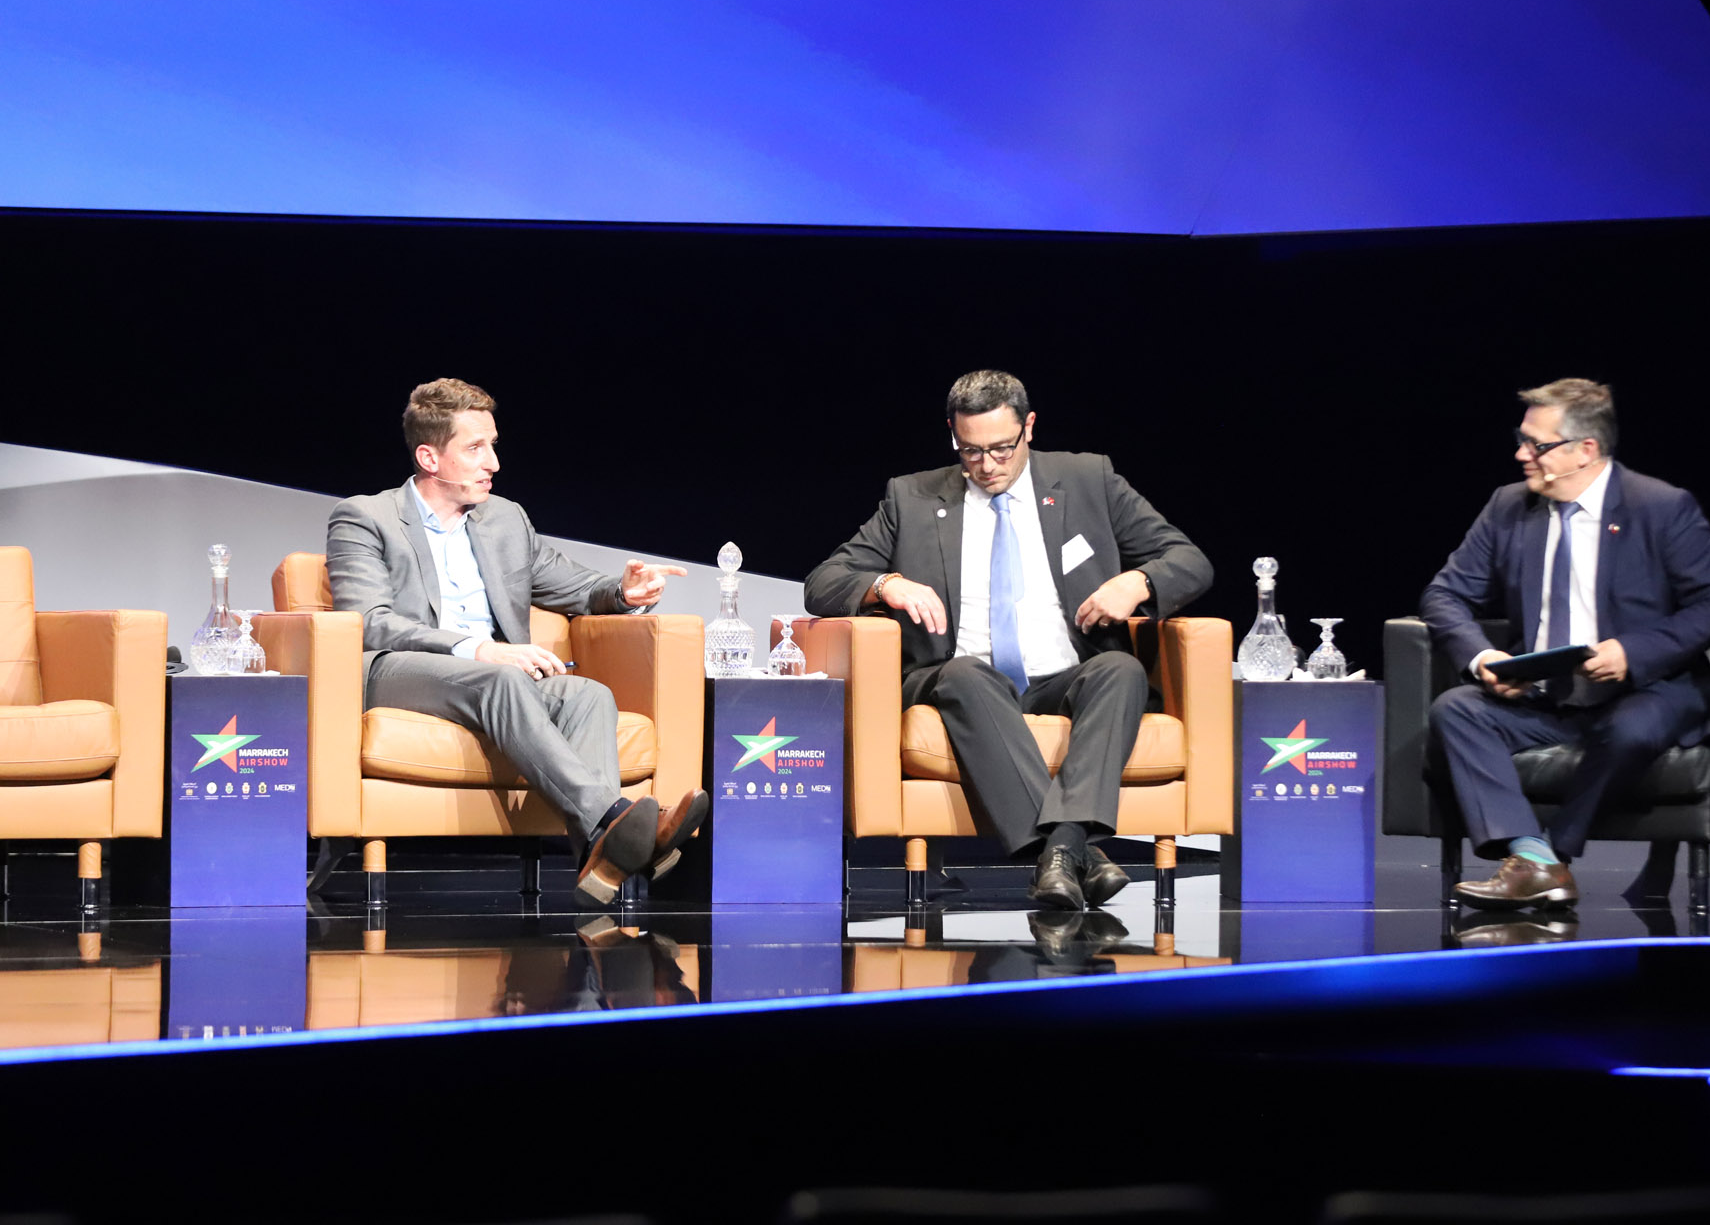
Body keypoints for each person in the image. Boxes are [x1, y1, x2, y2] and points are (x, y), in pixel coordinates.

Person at [803, 370, 1213, 909]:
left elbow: (1190, 560)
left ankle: (1062, 850)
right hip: (961, 682)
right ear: (953, 434)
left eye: (1001, 448)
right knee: (967, 673)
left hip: (1063, 678)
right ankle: (1073, 851)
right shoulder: (912, 496)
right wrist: (887, 584)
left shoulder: (1088, 479)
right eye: (970, 451)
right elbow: (823, 583)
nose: (987, 465)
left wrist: (1138, 581)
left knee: (1121, 669)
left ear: (1029, 427)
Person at [327, 378, 708, 907]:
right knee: (501, 676)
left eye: (493, 445)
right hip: (401, 671)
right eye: (475, 448)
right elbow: (369, 622)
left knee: (587, 695)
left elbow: (573, 585)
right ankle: (614, 817)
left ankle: (600, 859)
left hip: (491, 679)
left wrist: (624, 592)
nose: (494, 463)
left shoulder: (505, 519)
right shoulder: (365, 517)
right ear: (429, 457)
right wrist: (478, 648)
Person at [1420, 378, 1710, 910]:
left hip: (1646, 690)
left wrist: (1632, 652)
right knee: (1456, 710)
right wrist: (1484, 658)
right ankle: (1531, 855)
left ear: (1585, 450)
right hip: (1545, 695)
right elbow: (1444, 595)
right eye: (1522, 440)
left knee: (1631, 728)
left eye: (1537, 445)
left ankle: (1551, 856)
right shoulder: (1509, 506)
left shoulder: (1659, 506)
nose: (1521, 454)